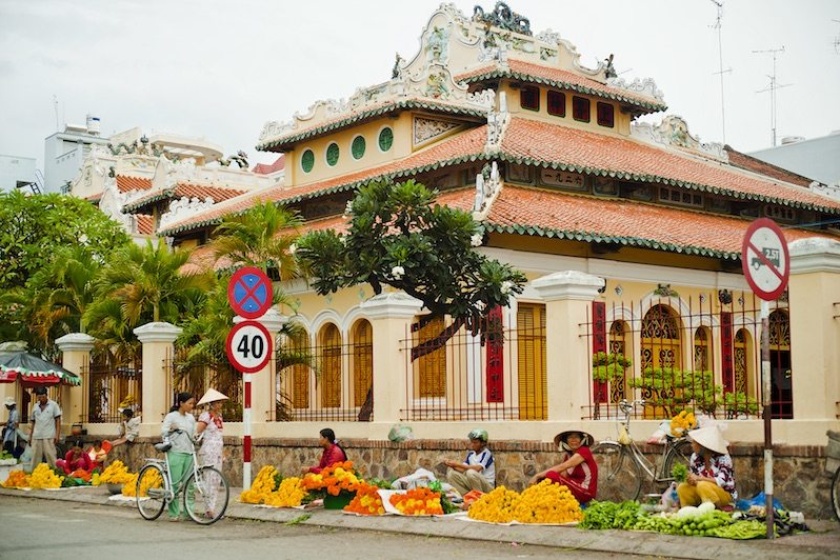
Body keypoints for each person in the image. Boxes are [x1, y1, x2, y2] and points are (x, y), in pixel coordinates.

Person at [676, 424, 737, 509]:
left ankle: (716, 511)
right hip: (702, 491)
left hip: (724, 494)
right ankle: (688, 511)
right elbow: (694, 476)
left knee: (702, 485)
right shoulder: (695, 457)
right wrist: (691, 480)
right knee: (682, 487)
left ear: (703, 446)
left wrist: (699, 479)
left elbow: (721, 481)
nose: (692, 445)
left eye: (694, 443)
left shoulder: (723, 458)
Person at [530, 430, 598, 505]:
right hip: (575, 487)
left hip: (586, 491)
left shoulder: (584, 451)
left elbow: (562, 467)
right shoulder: (568, 456)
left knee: (551, 475)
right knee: (545, 479)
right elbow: (563, 475)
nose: (573, 440)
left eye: (576, 437)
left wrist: (537, 475)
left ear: (582, 440)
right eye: (570, 437)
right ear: (566, 441)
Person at [161, 392, 196, 522]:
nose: (192, 406)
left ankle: (189, 513)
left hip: (189, 453)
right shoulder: (171, 416)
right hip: (175, 452)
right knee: (174, 484)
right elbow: (163, 431)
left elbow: (193, 434)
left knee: (189, 485)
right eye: (190, 403)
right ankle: (173, 513)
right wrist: (171, 429)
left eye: (193, 403)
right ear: (181, 403)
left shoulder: (191, 418)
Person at [196, 388, 227, 519]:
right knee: (208, 478)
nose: (219, 405)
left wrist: (222, 452)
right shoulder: (205, 416)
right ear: (212, 404)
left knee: (216, 480)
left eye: (220, 403)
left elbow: (220, 435)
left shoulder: (219, 417)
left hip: (217, 450)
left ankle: (212, 507)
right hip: (208, 449)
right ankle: (208, 507)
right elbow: (198, 431)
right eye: (217, 403)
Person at [444, 428, 495, 496]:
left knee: (470, 472)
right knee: (452, 474)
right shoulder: (471, 454)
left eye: (475, 442)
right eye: (471, 442)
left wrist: (457, 464)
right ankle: (468, 497)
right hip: (474, 484)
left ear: (483, 443)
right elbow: (462, 470)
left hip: (487, 487)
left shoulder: (487, 454)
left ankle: (479, 498)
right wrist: (451, 465)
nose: (472, 444)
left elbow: (477, 469)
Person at [29, 387, 62, 473]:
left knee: (51, 456)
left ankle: (55, 474)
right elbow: (33, 422)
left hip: (49, 435)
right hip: (37, 436)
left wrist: (57, 435)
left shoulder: (53, 405)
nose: (41, 399)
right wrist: (30, 436)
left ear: (46, 395)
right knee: (35, 458)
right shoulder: (35, 406)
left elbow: (58, 420)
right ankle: (34, 474)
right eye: (39, 397)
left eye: (42, 397)